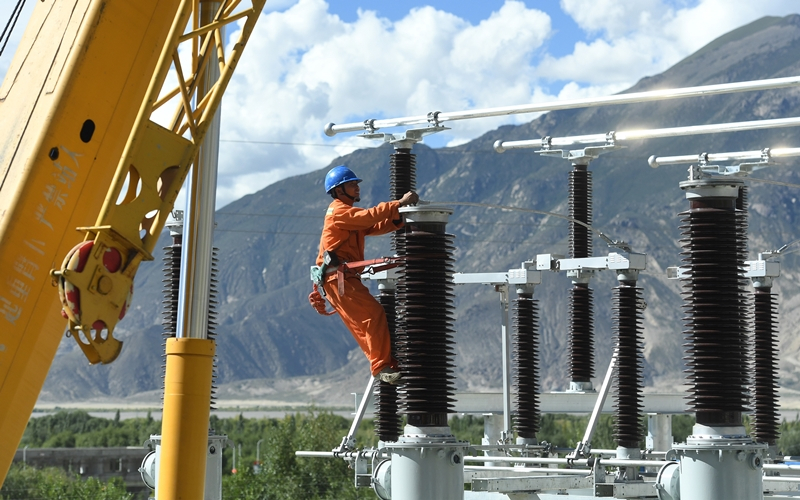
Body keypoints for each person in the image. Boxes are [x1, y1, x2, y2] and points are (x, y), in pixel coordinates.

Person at [316, 165, 419, 385]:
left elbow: (374, 225)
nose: (357, 187)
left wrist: (398, 218)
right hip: (338, 278)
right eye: (352, 184)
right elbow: (369, 217)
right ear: (339, 190)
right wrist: (398, 204)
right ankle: (381, 366)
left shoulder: (350, 216)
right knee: (372, 316)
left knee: (365, 323)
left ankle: (383, 365)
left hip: (340, 279)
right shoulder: (339, 212)